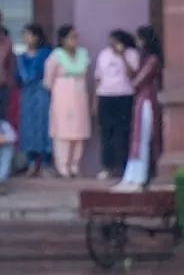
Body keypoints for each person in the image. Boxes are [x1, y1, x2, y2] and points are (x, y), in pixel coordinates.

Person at [113, 25, 164, 192]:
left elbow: (137, 81)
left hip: (147, 101)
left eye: (139, 39)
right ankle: (132, 176)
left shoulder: (153, 60)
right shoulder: (145, 59)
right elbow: (133, 77)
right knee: (137, 140)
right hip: (141, 101)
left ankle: (140, 177)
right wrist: (123, 58)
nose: (137, 42)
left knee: (142, 140)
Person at [42, 24, 91, 178]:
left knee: (79, 132)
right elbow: (48, 81)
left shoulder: (83, 54)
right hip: (62, 96)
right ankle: (63, 166)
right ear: (62, 39)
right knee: (63, 132)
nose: (74, 40)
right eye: (71, 37)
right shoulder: (56, 56)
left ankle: (75, 165)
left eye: (76, 37)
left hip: (80, 96)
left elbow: (85, 74)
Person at [93, 29, 140, 179]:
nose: (112, 45)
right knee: (106, 132)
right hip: (105, 96)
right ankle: (108, 166)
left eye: (115, 42)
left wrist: (123, 56)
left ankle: (123, 166)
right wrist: (95, 101)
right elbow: (98, 78)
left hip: (124, 95)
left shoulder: (132, 54)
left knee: (122, 132)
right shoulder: (104, 54)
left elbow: (133, 75)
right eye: (111, 42)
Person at [16, 24, 53, 176]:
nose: (26, 39)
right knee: (28, 126)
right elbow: (19, 77)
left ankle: (45, 163)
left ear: (37, 37)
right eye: (24, 35)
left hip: (42, 92)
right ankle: (31, 162)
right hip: (27, 94)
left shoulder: (46, 54)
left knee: (44, 125)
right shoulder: (21, 57)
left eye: (29, 35)